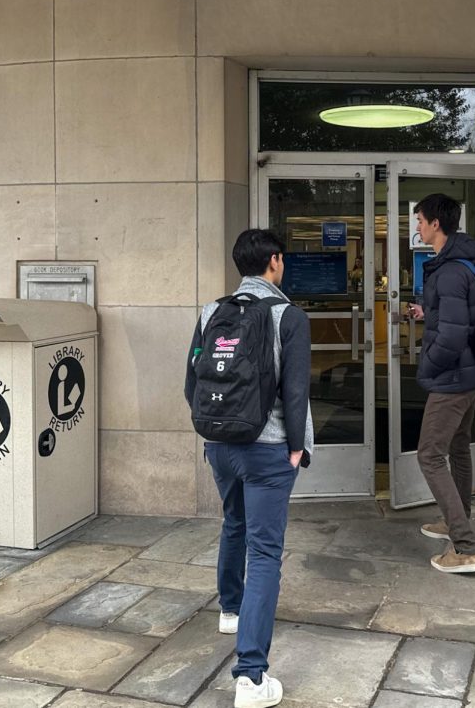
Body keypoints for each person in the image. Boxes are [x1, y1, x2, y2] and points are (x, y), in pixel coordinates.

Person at [184, 228, 313, 708]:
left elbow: (190, 382)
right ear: (275, 262)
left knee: (233, 521)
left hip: (219, 443)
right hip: (268, 449)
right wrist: (295, 449)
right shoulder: (288, 316)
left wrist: (215, 428)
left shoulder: (210, 312)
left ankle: (230, 609)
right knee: (265, 553)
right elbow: (296, 391)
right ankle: (252, 678)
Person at [407, 193, 475, 574]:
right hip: (469, 374)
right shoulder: (459, 266)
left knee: (429, 454)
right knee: (458, 448)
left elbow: (453, 337)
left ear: (436, 224)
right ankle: (459, 522)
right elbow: (457, 317)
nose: (418, 227)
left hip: (453, 378)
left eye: (420, 220)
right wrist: (429, 311)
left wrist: (431, 363)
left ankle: (466, 547)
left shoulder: (452, 271)